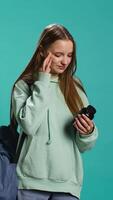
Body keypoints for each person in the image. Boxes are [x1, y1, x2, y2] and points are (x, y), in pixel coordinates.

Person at [11, 24, 98, 200]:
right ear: (42, 51)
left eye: (69, 55)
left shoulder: (75, 87)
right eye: (58, 55)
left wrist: (88, 132)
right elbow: (29, 125)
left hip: (68, 185)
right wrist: (42, 82)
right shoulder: (24, 86)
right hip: (29, 182)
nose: (65, 61)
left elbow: (84, 146)